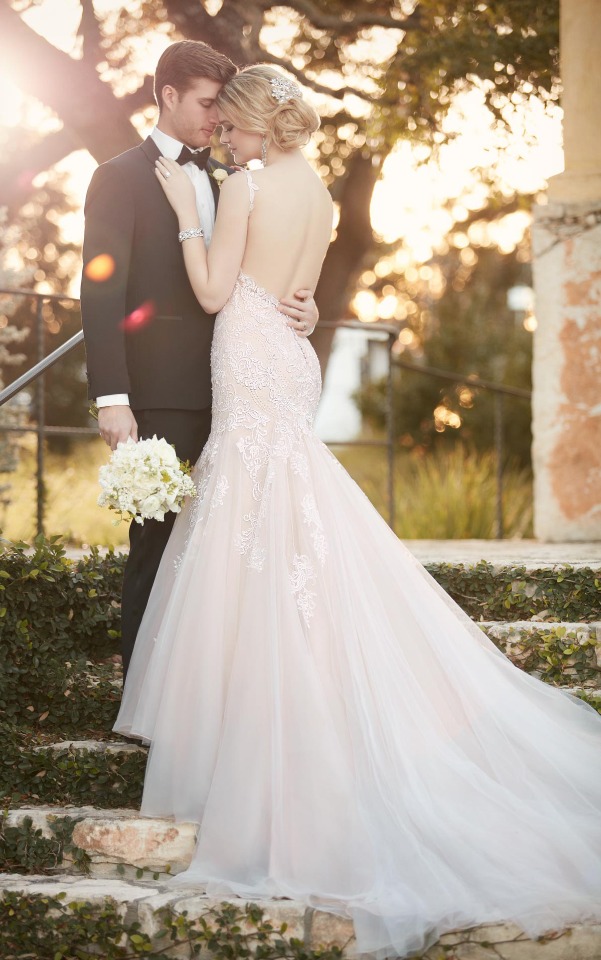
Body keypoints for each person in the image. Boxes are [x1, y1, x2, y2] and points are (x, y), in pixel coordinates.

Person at [114, 65, 601, 960]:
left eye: (230, 129)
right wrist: (285, 293)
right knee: (292, 524)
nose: (221, 140)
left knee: (252, 531)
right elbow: (298, 292)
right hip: (289, 355)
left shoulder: (250, 185)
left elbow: (218, 292)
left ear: (256, 125)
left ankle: (263, 730)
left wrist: (190, 205)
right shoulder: (322, 192)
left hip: (251, 355)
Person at [80, 42, 319, 678]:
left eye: (225, 108)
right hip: (161, 394)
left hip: (242, 391)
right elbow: (99, 293)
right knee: (156, 549)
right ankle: (142, 696)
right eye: (209, 104)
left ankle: (220, 694)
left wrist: (306, 308)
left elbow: (258, 271)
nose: (219, 119)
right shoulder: (119, 177)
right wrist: (112, 397)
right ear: (168, 96)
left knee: (230, 558)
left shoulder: (235, 175)